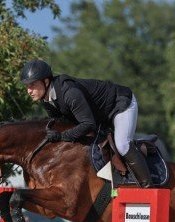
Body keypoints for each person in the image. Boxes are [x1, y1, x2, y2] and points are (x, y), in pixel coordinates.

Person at [20, 59, 152, 188]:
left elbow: (88, 124)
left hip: (120, 104)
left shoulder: (70, 93)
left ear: (46, 81)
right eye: (27, 86)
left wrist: (61, 136)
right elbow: (61, 123)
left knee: (122, 145)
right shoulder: (46, 99)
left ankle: (148, 187)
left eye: (32, 85)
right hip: (99, 115)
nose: (29, 91)